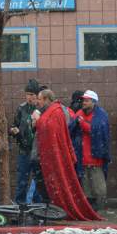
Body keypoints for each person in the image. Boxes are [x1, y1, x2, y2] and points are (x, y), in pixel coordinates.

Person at [33, 89, 101, 221]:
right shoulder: (52, 111)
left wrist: (39, 120)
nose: (38, 102)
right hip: (52, 156)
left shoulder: (56, 111)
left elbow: (51, 130)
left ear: (47, 99)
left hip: (57, 156)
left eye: (40, 99)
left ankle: (63, 208)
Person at [69, 90, 110, 211]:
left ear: (93, 102)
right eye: (83, 100)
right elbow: (70, 128)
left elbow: (97, 131)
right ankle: (89, 208)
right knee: (86, 186)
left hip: (95, 157)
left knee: (99, 187)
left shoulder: (100, 114)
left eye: (87, 100)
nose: (84, 103)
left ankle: (100, 208)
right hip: (82, 157)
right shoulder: (79, 113)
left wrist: (82, 123)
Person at [10, 79, 40, 204]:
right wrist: (13, 130)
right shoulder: (21, 108)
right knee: (22, 180)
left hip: (38, 151)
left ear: (37, 95)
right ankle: (20, 207)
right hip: (24, 150)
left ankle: (38, 206)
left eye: (32, 94)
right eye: (27, 94)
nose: (30, 97)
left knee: (39, 181)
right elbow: (13, 125)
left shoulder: (41, 108)